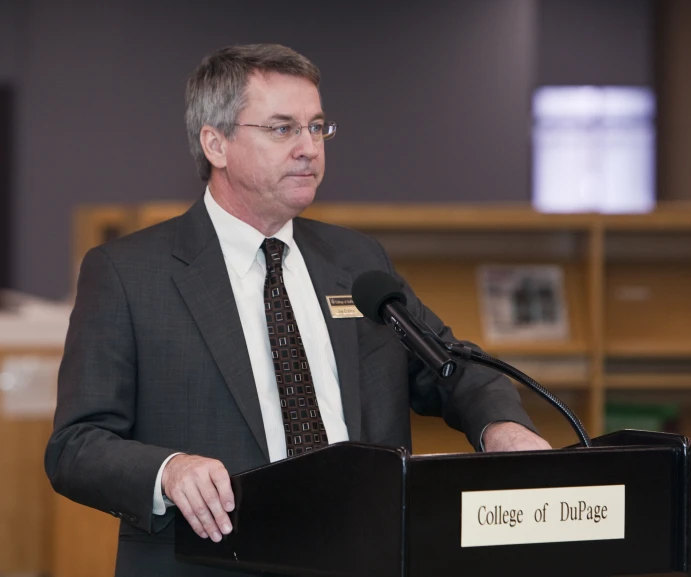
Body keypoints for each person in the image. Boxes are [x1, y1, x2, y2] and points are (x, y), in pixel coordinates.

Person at [45, 43, 550, 577]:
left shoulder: (357, 263)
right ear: (216, 143)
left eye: (317, 127)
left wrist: (502, 427)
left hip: (365, 555)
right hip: (211, 562)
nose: (309, 147)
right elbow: (77, 446)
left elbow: (451, 367)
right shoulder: (129, 274)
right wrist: (168, 470)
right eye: (283, 129)